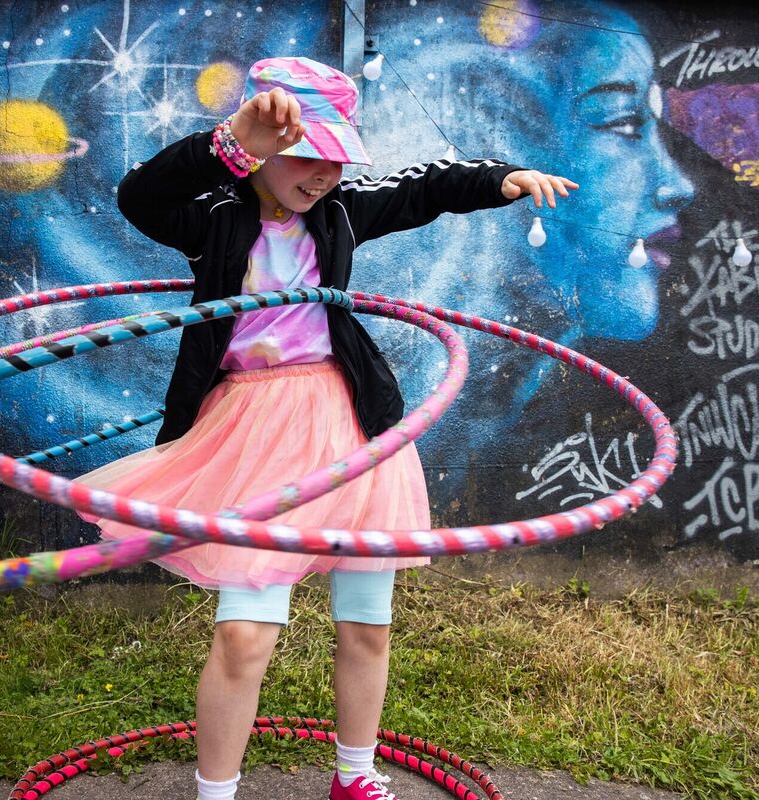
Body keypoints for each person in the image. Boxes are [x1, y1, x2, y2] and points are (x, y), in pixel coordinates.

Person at [74, 56, 577, 800]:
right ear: (262, 148)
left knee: (368, 625)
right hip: (251, 433)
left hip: (352, 429)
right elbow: (139, 195)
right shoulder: (210, 211)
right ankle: (217, 794)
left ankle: (354, 776)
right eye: (308, 155)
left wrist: (500, 179)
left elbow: (424, 186)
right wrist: (229, 143)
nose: (323, 175)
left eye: (338, 159)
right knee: (245, 635)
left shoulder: (340, 209)